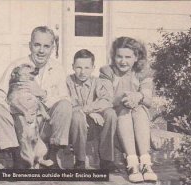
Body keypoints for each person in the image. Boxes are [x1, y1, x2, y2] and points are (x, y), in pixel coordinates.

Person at [0, 26, 72, 169]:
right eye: (37, 45)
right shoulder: (17, 66)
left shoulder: (57, 69)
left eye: (46, 46)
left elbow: (65, 99)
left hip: (44, 124)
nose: (41, 50)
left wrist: (42, 94)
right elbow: (0, 95)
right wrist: (17, 109)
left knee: (65, 105)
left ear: (52, 48)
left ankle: (52, 155)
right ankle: (17, 155)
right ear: (30, 45)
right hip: (19, 126)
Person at [99, 37, 158, 182]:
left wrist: (138, 95)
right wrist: (126, 97)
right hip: (118, 120)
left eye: (128, 57)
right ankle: (132, 164)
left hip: (139, 118)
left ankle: (145, 163)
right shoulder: (107, 71)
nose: (123, 61)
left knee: (139, 110)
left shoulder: (143, 72)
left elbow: (148, 100)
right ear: (114, 56)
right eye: (119, 56)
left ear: (136, 57)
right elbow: (106, 99)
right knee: (125, 112)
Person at [67, 49, 117, 169]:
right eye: (79, 67)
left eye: (87, 68)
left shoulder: (97, 81)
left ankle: (106, 159)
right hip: (73, 126)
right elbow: (69, 105)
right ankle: (80, 160)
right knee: (77, 116)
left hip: (94, 125)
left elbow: (107, 100)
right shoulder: (68, 81)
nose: (83, 72)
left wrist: (89, 110)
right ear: (73, 66)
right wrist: (88, 112)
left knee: (110, 114)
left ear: (93, 67)